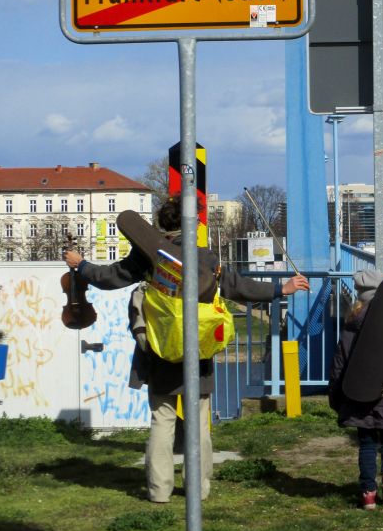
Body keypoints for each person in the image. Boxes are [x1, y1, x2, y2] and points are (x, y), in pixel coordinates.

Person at [64, 195, 309, 503]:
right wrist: (279, 289)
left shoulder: (146, 257)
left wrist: (81, 265)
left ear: (160, 227)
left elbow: (109, 278)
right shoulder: (204, 258)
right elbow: (235, 285)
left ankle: (159, 490)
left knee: (162, 421)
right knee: (198, 424)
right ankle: (199, 488)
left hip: (160, 351)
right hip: (198, 352)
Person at [328, 270, 383, 510]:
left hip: (357, 397)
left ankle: (368, 493)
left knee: (367, 444)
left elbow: (338, 367)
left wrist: (336, 398)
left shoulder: (349, 330)